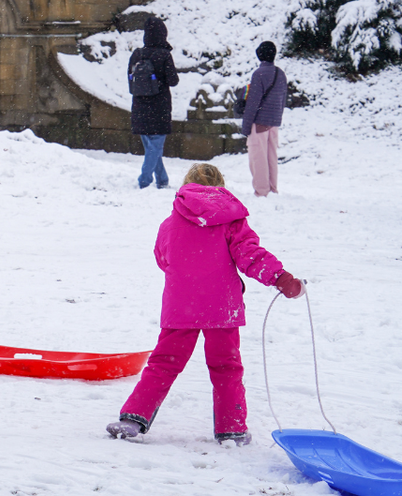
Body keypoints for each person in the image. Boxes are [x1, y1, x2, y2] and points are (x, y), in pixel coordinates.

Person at [105, 164, 305, 445]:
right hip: (222, 307)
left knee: (163, 364)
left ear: (186, 187)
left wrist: (190, 274)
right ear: (221, 187)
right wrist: (281, 278)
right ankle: (232, 429)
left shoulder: (170, 223)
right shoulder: (231, 220)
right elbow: (250, 255)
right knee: (226, 367)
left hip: (181, 305)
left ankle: (133, 419)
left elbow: (163, 259)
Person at [128, 16, 180, 189]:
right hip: (160, 106)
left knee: (151, 146)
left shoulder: (137, 54)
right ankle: (144, 179)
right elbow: (173, 81)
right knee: (156, 145)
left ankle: (162, 179)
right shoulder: (164, 55)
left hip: (139, 106)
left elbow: (130, 80)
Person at [241, 41, 288, 197]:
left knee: (258, 157)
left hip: (260, 122)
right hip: (274, 121)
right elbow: (282, 99)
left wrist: (246, 127)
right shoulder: (280, 73)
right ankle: (272, 188)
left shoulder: (258, 74)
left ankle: (261, 191)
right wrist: (277, 118)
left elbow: (253, 103)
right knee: (271, 156)